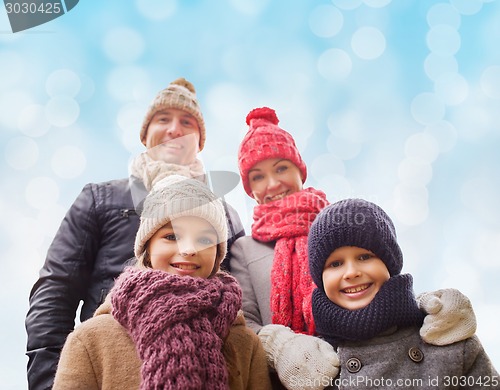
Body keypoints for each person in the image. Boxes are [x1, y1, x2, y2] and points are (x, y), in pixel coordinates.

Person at [229, 107, 478, 390]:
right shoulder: (244, 249)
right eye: (258, 176)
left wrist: (431, 309)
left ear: (299, 169)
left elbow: (382, 283)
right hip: (287, 379)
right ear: (249, 187)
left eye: (281, 168)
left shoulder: (338, 224)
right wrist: (282, 347)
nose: (272, 183)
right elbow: (245, 323)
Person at [25, 78, 245, 390]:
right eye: (163, 119)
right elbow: (56, 289)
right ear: (145, 135)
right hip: (111, 367)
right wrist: (54, 381)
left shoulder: (225, 215)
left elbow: (240, 302)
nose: (174, 129)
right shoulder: (101, 198)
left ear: (199, 141)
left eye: (187, 122)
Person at [52, 175, 271, 390]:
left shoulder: (245, 343)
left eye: (205, 239)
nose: (189, 250)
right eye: (172, 237)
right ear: (148, 249)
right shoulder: (91, 340)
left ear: (217, 255)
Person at [308, 198, 498, 390]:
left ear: (390, 264)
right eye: (335, 264)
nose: (351, 272)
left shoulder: (447, 338)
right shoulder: (313, 362)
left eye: (364, 257)